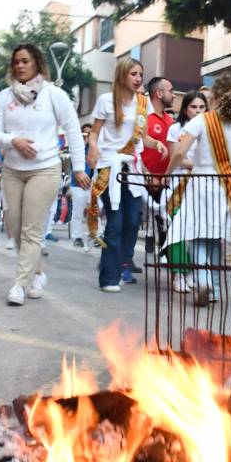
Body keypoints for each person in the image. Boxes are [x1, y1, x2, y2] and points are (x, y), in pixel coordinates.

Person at [0, 43, 90, 306]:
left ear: (37, 64)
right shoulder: (4, 97)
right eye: (16, 62)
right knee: (16, 229)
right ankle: (38, 273)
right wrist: (13, 141)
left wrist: (79, 168)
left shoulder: (53, 94)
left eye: (25, 61)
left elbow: (74, 131)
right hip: (12, 170)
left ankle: (20, 285)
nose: (20, 66)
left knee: (31, 231)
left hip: (44, 169)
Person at [165, 74, 231, 306]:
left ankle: (202, 279)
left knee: (196, 235)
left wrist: (167, 173)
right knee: (216, 239)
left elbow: (180, 152)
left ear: (215, 97)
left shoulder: (202, 120)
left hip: (203, 183)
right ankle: (213, 289)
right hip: (230, 185)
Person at [86, 57, 168, 292]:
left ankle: (114, 261)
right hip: (109, 167)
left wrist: (156, 145)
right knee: (116, 222)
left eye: (140, 74)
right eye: (133, 74)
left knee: (133, 221)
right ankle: (109, 277)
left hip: (132, 168)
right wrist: (93, 147)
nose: (138, 78)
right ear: (122, 75)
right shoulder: (106, 100)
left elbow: (142, 137)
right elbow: (94, 133)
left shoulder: (143, 103)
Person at [164, 90, 207, 293]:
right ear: (185, 108)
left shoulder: (211, 128)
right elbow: (176, 156)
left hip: (203, 185)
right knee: (178, 231)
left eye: (201, 107)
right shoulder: (175, 128)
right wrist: (199, 165)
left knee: (198, 232)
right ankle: (178, 274)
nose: (198, 111)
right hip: (179, 185)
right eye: (193, 107)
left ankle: (193, 272)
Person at [142, 76, 175, 253]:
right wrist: (147, 175)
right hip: (144, 181)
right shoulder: (143, 117)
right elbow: (136, 150)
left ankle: (163, 248)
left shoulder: (171, 121)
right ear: (159, 93)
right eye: (171, 90)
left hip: (167, 181)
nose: (174, 95)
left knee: (164, 217)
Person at [70, 124, 94, 247]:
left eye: (90, 133)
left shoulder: (94, 147)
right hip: (77, 184)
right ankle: (77, 236)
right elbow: (72, 162)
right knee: (77, 212)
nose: (88, 136)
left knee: (94, 211)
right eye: (85, 134)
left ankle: (96, 235)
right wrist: (83, 145)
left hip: (92, 184)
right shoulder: (77, 147)